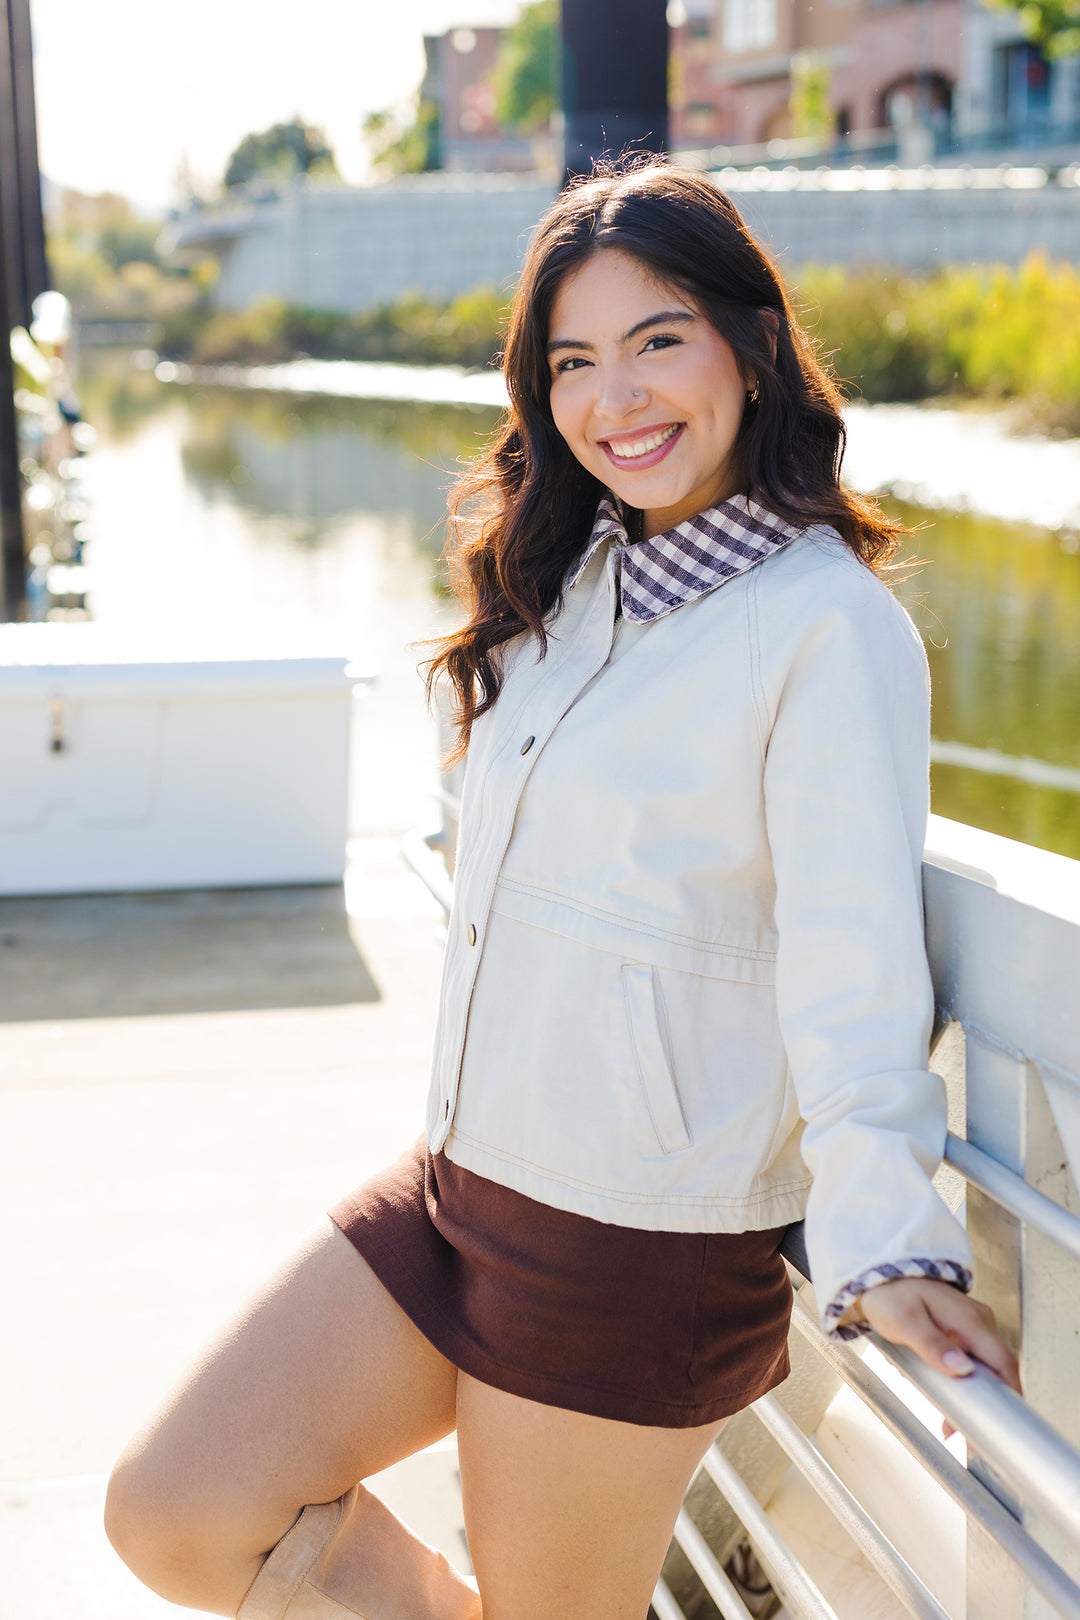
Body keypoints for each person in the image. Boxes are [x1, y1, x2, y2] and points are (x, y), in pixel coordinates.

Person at [105, 162, 1020, 1620]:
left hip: (635, 1251)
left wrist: (889, 1244)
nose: (618, 399)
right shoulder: (581, 583)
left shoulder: (824, 624)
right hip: (466, 1186)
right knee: (177, 1512)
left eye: (659, 339)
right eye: (573, 362)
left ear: (750, 345)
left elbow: (853, 971)